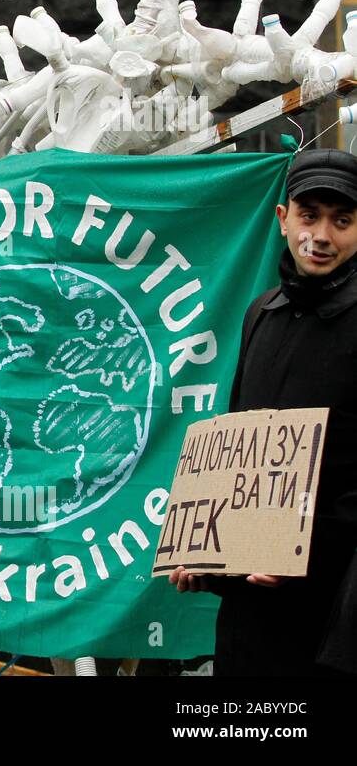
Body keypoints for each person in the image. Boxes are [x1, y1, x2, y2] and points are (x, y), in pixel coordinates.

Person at [171, 148, 357, 676]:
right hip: (248, 611)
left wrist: (304, 552)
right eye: (308, 215)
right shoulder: (261, 313)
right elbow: (231, 456)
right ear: (283, 220)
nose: (321, 235)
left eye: (341, 221)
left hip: (333, 611)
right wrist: (204, 553)